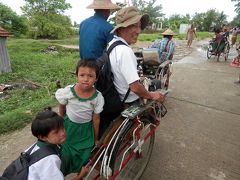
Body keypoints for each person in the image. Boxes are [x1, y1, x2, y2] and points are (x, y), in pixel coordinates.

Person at [55, 60, 104, 179]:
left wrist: (96, 138)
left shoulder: (97, 97)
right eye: (82, 75)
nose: (86, 79)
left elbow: (96, 119)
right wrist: (60, 122)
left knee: (85, 154)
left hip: (85, 131)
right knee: (65, 152)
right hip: (69, 127)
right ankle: (60, 174)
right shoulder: (68, 91)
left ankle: (80, 175)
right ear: (76, 76)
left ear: (96, 78)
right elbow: (62, 105)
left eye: (90, 76)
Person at [108, 6, 165, 108]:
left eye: (139, 26)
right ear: (121, 28)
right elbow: (135, 88)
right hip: (129, 101)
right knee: (156, 86)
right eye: (134, 26)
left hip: (117, 95)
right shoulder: (125, 51)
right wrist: (152, 95)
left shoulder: (112, 44)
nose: (139, 31)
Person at [28, 107, 66, 180]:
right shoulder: (50, 160)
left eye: (62, 127)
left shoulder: (34, 148)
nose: (63, 133)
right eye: (56, 132)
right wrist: (80, 175)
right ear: (42, 137)